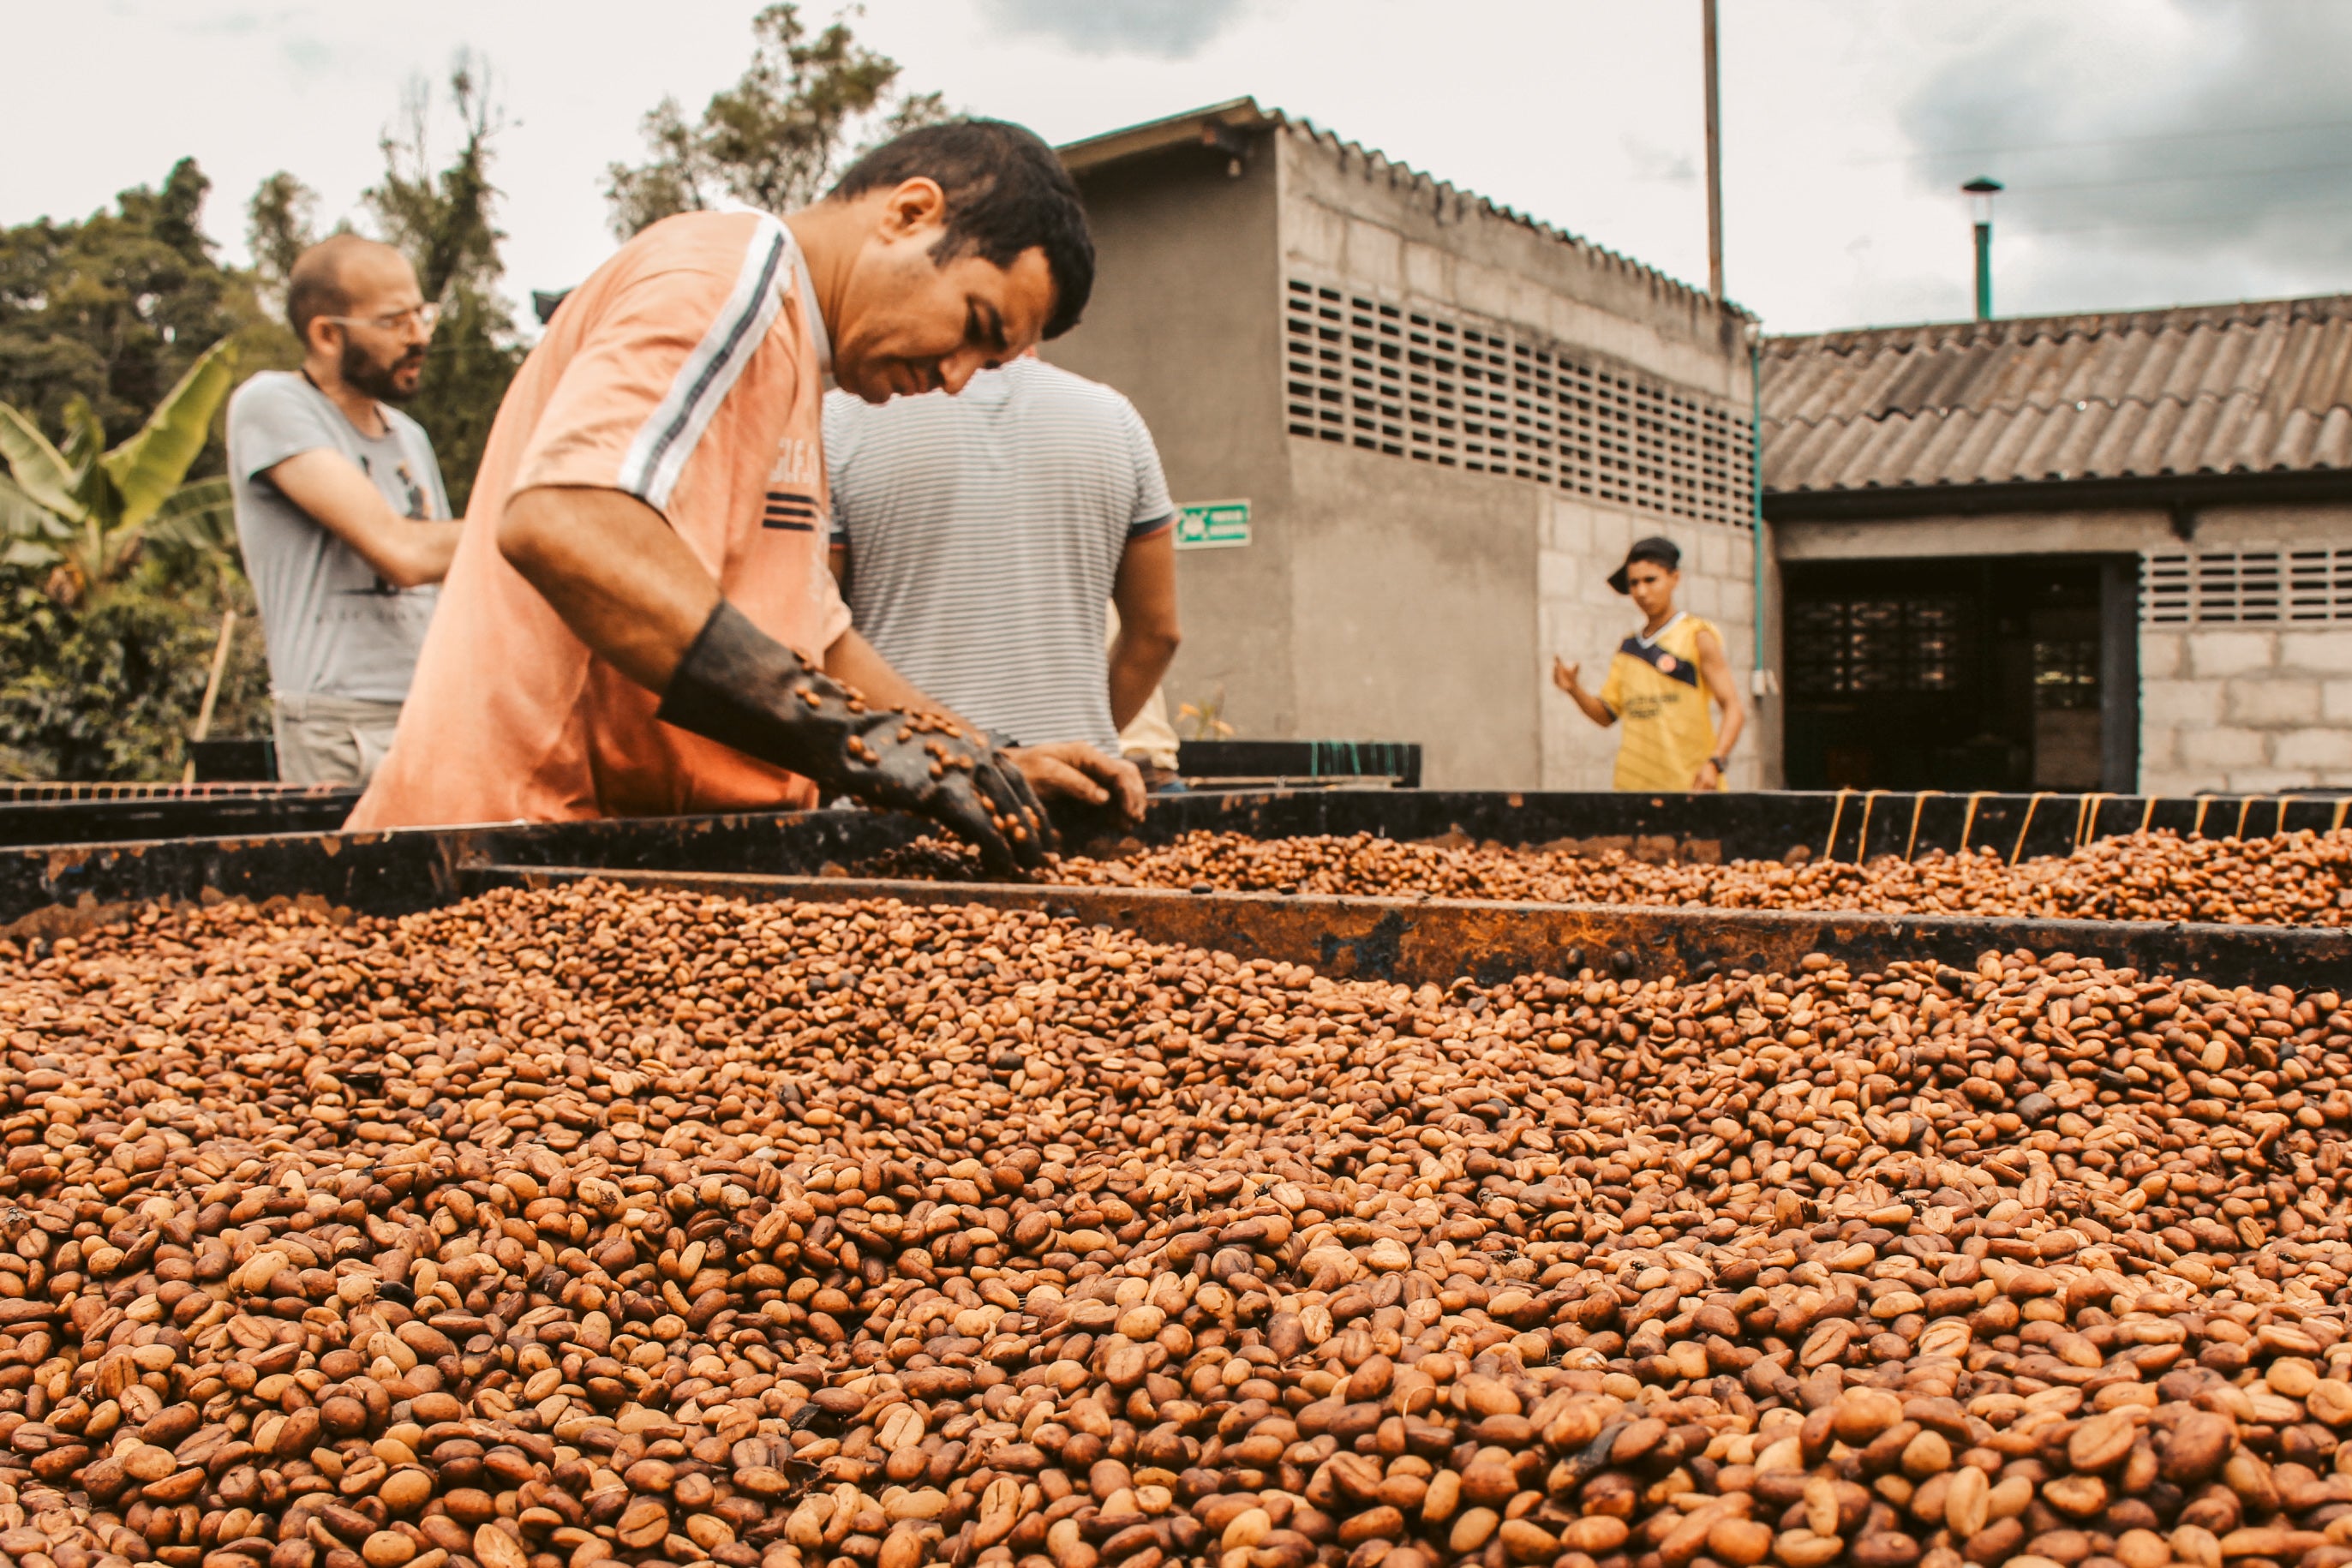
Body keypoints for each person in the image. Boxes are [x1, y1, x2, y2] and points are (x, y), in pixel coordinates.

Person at [349, 121, 1130, 874]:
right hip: (514, 847)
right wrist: (847, 739)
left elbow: (813, 638)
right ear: (910, 214)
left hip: (599, 861)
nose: (956, 378)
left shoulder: (793, 368)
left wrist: (972, 760)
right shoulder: (727, 278)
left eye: (987, 364)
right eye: (973, 324)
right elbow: (565, 521)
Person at [823, 353, 1179, 811]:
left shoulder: (840, 420)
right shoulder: (1115, 418)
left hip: (908, 801)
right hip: (1079, 800)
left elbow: (812, 638)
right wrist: (1060, 745)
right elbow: (1157, 634)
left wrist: (980, 760)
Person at [226, 236, 460, 786]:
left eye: (422, 315)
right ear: (326, 335)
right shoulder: (272, 405)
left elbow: (450, 573)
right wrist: (535, 521)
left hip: (431, 710)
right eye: (395, 322)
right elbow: (403, 553)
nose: (419, 336)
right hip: (340, 725)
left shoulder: (409, 437)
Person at [1552, 536, 1746, 792]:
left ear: (1674, 578)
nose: (1642, 592)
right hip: (1633, 791)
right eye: (1634, 583)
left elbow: (1733, 708)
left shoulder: (1696, 635)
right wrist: (1573, 689)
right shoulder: (1628, 648)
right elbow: (1607, 715)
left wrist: (1715, 763)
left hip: (1691, 788)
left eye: (1650, 580)